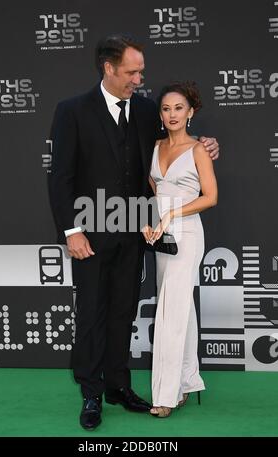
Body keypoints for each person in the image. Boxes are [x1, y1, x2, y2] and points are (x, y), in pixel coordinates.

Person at [49, 34, 219, 430]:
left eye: (140, 70)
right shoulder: (72, 110)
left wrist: (208, 143)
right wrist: (71, 231)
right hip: (90, 232)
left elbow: (178, 143)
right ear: (109, 68)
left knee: (123, 312)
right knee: (91, 313)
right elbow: (60, 179)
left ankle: (118, 387)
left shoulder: (146, 111)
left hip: (136, 231)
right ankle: (91, 393)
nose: (139, 78)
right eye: (132, 71)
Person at [143, 81, 218, 418]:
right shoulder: (154, 147)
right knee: (178, 307)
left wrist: (172, 213)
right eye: (166, 108)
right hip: (161, 237)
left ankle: (165, 395)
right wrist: (151, 220)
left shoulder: (199, 149)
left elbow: (210, 197)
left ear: (191, 112)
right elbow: (154, 191)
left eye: (178, 108)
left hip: (187, 233)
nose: (172, 114)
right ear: (160, 114)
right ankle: (188, 380)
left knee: (171, 312)